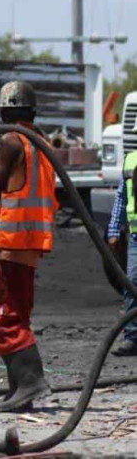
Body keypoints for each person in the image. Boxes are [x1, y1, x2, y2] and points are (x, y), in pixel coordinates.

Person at [0, 81, 55, 412]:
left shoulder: (11, 141)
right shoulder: (38, 142)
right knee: (13, 312)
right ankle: (20, 388)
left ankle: (31, 382)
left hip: (10, 243)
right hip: (28, 243)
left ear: (6, 111)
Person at [107, 150, 137, 356]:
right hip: (136, 236)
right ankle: (132, 338)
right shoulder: (131, 159)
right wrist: (114, 229)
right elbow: (121, 196)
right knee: (132, 283)